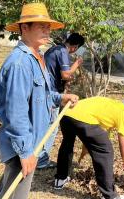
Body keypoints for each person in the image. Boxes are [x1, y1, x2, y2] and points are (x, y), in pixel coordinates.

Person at [0, 3, 79, 199]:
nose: (46, 30)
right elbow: (16, 112)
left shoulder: (36, 58)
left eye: (48, 26)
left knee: (7, 191)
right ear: (25, 28)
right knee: (16, 194)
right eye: (41, 26)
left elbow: (41, 96)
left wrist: (60, 97)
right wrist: (25, 152)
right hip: (22, 145)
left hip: (30, 143)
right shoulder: (20, 63)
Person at [54, 97, 124, 199]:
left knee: (67, 143)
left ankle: (60, 179)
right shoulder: (123, 112)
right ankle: (111, 196)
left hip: (66, 113)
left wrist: (85, 148)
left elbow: (94, 134)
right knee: (106, 151)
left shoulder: (109, 106)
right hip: (80, 118)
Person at [37, 32, 85, 169]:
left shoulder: (55, 49)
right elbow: (65, 75)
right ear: (75, 47)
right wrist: (77, 63)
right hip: (52, 93)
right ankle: (41, 161)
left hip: (45, 90)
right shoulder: (63, 52)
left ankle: (37, 157)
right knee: (51, 127)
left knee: (45, 124)